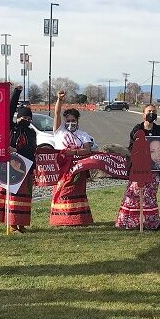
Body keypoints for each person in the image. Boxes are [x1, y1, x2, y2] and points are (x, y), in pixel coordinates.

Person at [0, 85, 37, 232]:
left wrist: (17, 150)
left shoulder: (31, 133)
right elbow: (9, 110)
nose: (27, 119)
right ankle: (12, 224)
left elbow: (31, 149)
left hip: (26, 168)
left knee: (23, 199)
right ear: (18, 117)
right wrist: (17, 93)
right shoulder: (11, 128)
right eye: (24, 117)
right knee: (11, 198)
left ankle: (21, 224)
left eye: (29, 118)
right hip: (9, 168)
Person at [49, 91, 97, 226]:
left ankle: (79, 219)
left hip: (78, 170)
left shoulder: (83, 135)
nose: (70, 123)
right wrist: (59, 99)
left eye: (73, 121)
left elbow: (87, 149)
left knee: (77, 192)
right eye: (68, 121)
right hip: (62, 169)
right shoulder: (60, 131)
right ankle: (61, 219)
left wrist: (74, 152)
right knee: (62, 191)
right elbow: (57, 113)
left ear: (77, 121)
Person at [117, 105, 160, 230]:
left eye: (154, 112)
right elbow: (131, 148)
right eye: (149, 111)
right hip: (138, 168)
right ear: (143, 114)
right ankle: (130, 222)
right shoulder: (137, 129)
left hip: (154, 169)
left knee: (150, 195)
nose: (151, 113)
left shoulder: (159, 129)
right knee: (134, 194)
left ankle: (150, 223)